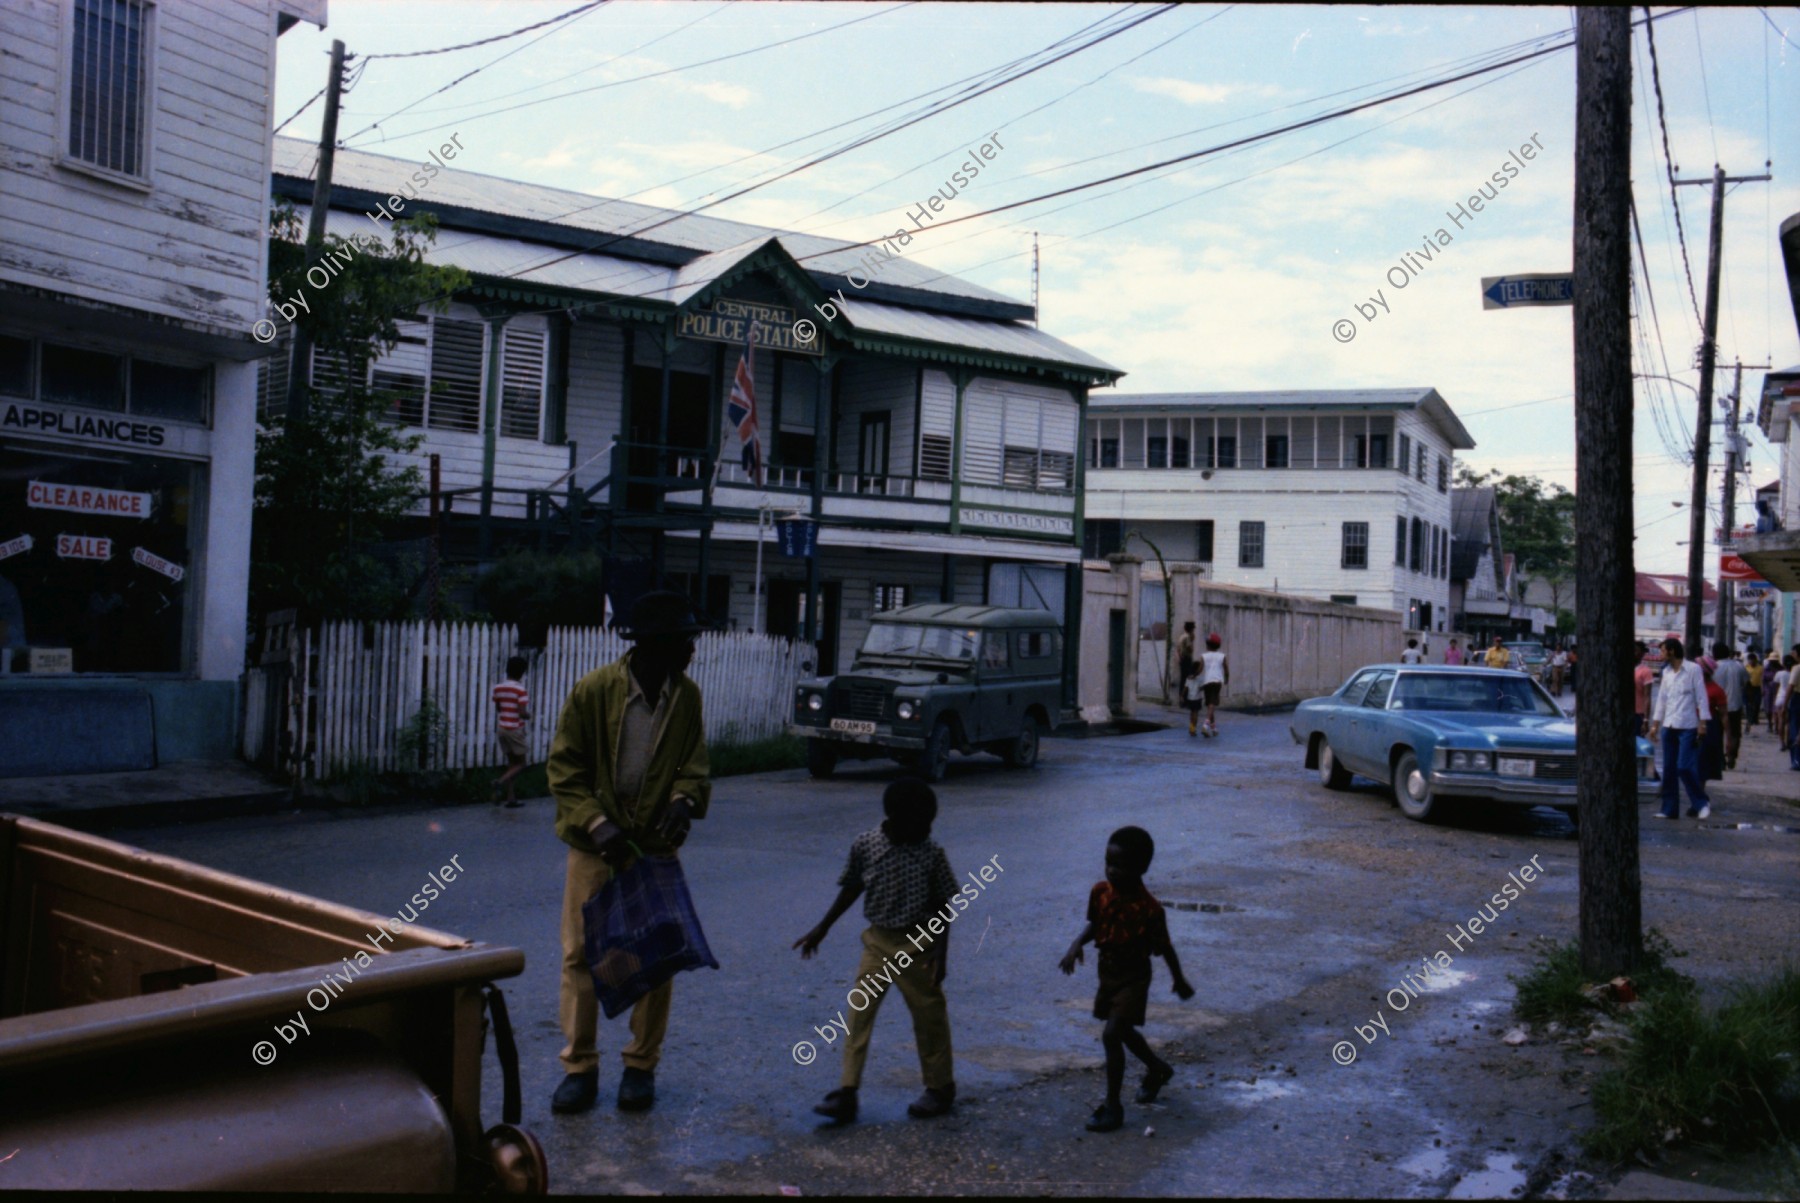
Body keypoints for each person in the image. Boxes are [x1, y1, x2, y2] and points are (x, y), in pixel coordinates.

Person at [546, 590, 711, 1116]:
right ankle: (580, 1068)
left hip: (653, 847)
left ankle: (640, 1067)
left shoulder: (687, 698)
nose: (691, 650)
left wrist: (685, 801)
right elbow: (564, 770)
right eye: (684, 641)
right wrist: (597, 826)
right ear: (652, 645)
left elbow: (694, 764)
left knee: (656, 956)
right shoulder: (593, 691)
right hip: (596, 847)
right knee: (581, 956)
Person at [795, 778, 959, 1124]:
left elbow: (944, 905)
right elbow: (851, 888)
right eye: (921, 822)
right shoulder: (867, 845)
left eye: (931, 823)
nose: (928, 829)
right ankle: (847, 1092)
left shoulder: (932, 853)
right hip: (878, 943)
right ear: (894, 818)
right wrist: (821, 928)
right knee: (858, 1016)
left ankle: (940, 1087)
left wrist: (941, 956)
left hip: (919, 945)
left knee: (930, 1017)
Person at [1059, 825, 1194, 1134]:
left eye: (1120, 866)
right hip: (1108, 974)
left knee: (1111, 1034)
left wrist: (1179, 979)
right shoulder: (1100, 892)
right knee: (1122, 1031)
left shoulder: (1149, 910)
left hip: (1134, 977)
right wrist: (1075, 945)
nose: (1112, 871)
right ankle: (1157, 1069)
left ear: (1141, 868)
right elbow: (1094, 924)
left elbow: (1165, 948)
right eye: (1108, 863)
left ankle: (1112, 1106)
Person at [1648, 637, 1710, 821]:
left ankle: (1700, 803)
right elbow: (1662, 699)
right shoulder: (1666, 672)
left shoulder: (1693, 669)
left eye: (1662, 650)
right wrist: (1655, 724)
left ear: (1672, 651)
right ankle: (1669, 809)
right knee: (1669, 769)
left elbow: (1701, 696)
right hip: (1669, 725)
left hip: (1688, 725)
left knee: (1684, 766)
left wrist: (1703, 723)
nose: (1660, 654)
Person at [492, 655, 533, 807]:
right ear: (522, 672)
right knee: (521, 764)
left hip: (502, 728)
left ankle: (511, 798)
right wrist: (529, 715)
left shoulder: (498, 688)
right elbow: (522, 713)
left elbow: (498, 708)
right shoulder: (520, 690)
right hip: (515, 729)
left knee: (512, 764)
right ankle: (499, 782)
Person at [1711, 642, 1747, 770]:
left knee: (1717, 734)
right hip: (1735, 705)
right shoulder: (1739, 666)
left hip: (1717, 707)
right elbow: (1745, 683)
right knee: (1734, 733)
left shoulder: (1714, 668)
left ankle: (1720, 760)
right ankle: (1732, 757)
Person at [1196, 633, 1229, 738]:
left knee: (1210, 704)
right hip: (1217, 681)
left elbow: (1200, 669)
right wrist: (1227, 679)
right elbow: (1226, 669)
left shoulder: (1204, 656)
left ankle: (1214, 728)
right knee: (1212, 704)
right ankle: (1206, 726)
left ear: (1208, 645)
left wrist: (1194, 676)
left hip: (1207, 682)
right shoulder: (1222, 656)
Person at [1699, 661, 1726, 784]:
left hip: (1709, 727)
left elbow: (1724, 714)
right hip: (1690, 723)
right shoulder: (1693, 686)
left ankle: (1699, 792)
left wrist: (1729, 738)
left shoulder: (1716, 690)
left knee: (1703, 761)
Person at [1632, 641, 1656, 737]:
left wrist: (1646, 719)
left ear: (1642, 654)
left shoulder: (1646, 672)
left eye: (1636, 651)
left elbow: (1647, 697)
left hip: (1638, 714)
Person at [1182, 664, 1206, 737]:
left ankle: (1191, 727)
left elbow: (1185, 688)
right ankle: (1193, 729)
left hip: (1190, 698)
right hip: (1197, 698)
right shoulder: (1201, 678)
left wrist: (1182, 696)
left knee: (1192, 713)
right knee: (1195, 713)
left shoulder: (1188, 678)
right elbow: (1201, 688)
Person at [1745, 652, 1764, 739]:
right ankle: (1750, 719)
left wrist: (1762, 688)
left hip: (1757, 688)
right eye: (1750, 660)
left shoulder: (1760, 668)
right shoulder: (1746, 668)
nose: (1751, 662)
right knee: (1749, 704)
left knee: (1757, 703)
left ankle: (1755, 718)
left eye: (1753, 660)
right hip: (1748, 688)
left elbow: (1762, 679)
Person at [1175, 621, 1197, 690]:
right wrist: (1192, 641)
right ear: (1191, 629)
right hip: (1187, 658)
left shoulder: (1182, 636)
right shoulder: (1187, 637)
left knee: (1183, 678)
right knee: (1187, 678)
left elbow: (1178, 649)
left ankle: (1181, 695)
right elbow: (1190, 649)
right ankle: (1185, 696)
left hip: (1182, 658)